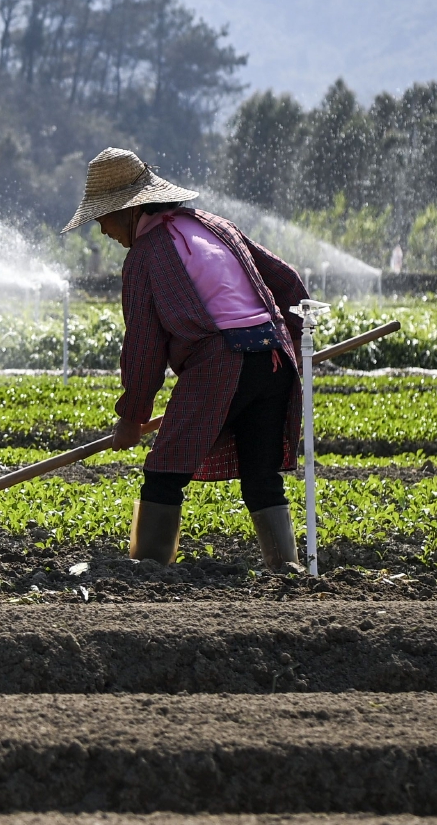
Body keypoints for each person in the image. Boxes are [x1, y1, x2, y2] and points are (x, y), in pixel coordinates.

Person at [63, 148, 309, 572]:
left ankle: (147, 570)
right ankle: (284, 570)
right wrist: (296, 346)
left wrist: (131, 416)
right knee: (261, 476)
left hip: (220, 361)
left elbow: (143, 348)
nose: (102, 229)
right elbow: (287, 282)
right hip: (273, 358)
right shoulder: (216, 226)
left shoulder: (144, 257)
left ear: (130, 210)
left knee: (164, 471)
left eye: (103, 217)